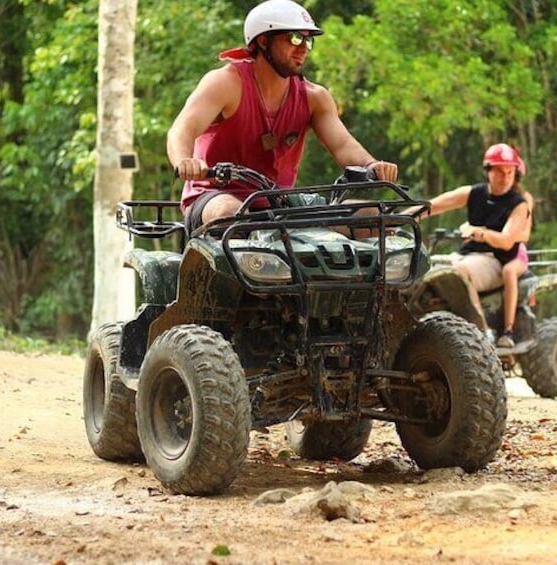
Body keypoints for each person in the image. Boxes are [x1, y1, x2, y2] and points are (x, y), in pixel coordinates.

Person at [167, 0, 397, 234]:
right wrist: (185, 161)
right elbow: (181, 130)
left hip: (280, 205)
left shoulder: (314, 97)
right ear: (263, 41)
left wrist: (371, 165)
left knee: (373, 215)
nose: (304, 47)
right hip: (213, 198)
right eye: (295, 38)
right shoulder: (226, 83)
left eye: (309, 40)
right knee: (231, 214)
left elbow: (343, 144)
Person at [405, 143, 531, 344]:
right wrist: (404, 217)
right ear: (488, 171)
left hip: (494, 261)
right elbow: (435, 205)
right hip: (466, 255)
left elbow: (506, 241)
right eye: (499, 171)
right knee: (419, 265)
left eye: (510, 172)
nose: (505, 177)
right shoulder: (474, 193)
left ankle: (482, 332)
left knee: (459, 271)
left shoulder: (519, 203)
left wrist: (480, 233)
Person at [497, 156, 534, 347]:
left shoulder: (523, 200)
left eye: (511, 174)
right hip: (491, 252)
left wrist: (503, 237)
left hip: (516, 254)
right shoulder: (494, 198)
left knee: (508, 272)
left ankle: (508, 330)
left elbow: (525, 234)